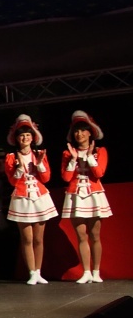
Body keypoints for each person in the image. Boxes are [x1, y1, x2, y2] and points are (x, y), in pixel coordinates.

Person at [60, 110, 111, 283]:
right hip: (75, 195)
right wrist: (73, 159)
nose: (79, 134)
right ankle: (86, 272)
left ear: (90, 133)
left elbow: (99, 173)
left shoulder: (100, 151)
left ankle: (96, 271)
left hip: (94, 194)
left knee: (95, 235)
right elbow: (66, 177)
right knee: (81, 235)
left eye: (83, 130)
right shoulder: (68, 153)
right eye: (76, 131)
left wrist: (89, 157)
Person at [5, 114, 57, 285]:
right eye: (21, 135)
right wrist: (19, 168)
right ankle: (31, 272)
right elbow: (12, 181)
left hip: (39, 196)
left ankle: (38, 272)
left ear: (33, 137)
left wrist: (40, 164)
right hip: (22, 198)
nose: (25, 138)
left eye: (28, 135)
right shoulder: (11, 157)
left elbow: (46, 178)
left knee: (39, 238)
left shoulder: (39, 154)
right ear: (16, 138)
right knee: (27, 238)